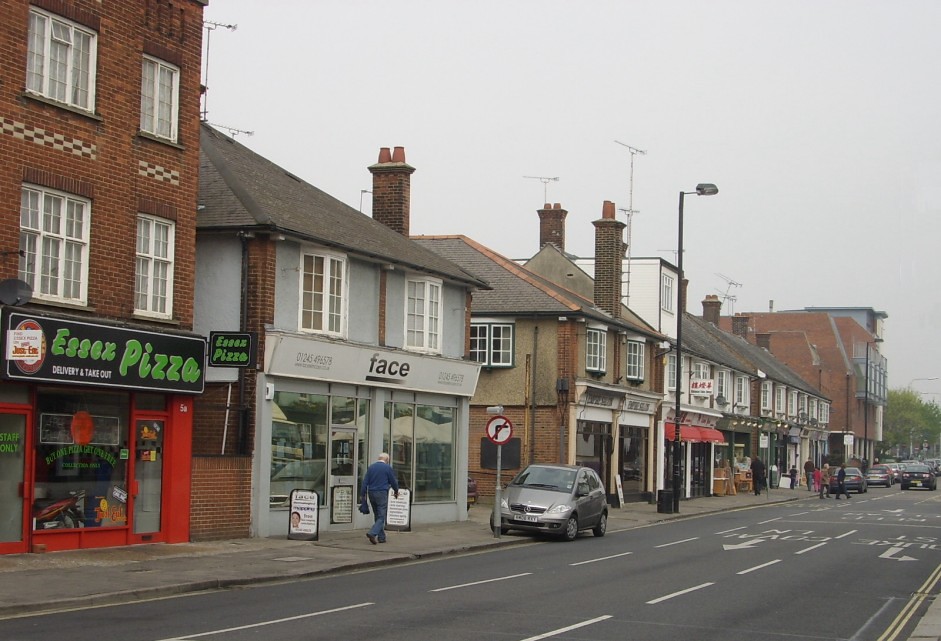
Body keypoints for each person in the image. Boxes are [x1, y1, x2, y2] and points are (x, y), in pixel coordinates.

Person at [360, 453, 399, 544]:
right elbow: (393, 481)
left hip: (371, 493)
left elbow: (365, 482)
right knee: (381, 516)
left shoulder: (371, 467)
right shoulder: (387, 468)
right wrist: (396, 491)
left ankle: (381, 537)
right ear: (387, 460)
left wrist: (363, 494)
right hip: (381, 493)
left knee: (377, 515)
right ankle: (372, 533)